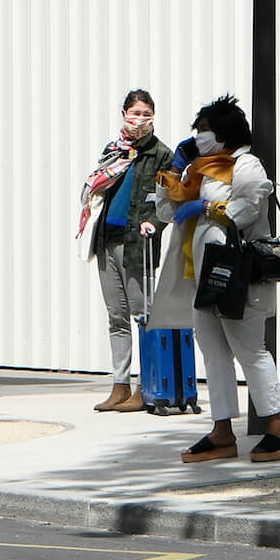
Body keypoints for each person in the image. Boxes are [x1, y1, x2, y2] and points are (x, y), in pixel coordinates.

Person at [152, 95, 280, 463]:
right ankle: (222, 431)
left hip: (240, 277)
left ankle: (277, 428)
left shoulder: (246, 165)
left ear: (223, 133)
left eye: (204, 130)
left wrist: (205, 207)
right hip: (203, 278)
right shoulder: (198, 170)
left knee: (249, 349)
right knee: (214, 354)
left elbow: (247, 209)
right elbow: (167, 210)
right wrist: (173, 171)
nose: (198, 137)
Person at [77, 89, 172, 412]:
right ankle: (120, 385)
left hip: (138, 244)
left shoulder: (161, 154)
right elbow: (97, 188)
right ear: (124, 114)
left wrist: (154, 224)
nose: (140, 119)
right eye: (135, 112)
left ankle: (147, 386)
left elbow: (167, 201)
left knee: (143, 314)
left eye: (146, 113)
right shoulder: (114, 151)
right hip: (108, 239)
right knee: (116, 316)